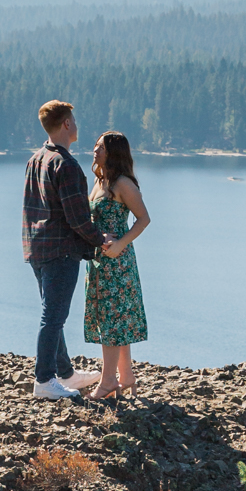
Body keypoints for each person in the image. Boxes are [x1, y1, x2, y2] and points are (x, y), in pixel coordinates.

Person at [21, 100, 116, 400]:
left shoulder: (36, 159)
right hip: (61, 251)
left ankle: (65, 374)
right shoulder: (66, 165)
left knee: (52, 312)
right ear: (65, 124)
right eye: (73, 119)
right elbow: (78, 218)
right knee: (53, 317)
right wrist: (100, 239)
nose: (76, 124)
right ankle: (44, 380)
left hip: (36, 248)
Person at [83, 131, 150, 399]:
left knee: (112, 321)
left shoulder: (123, 184)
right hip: (99, 261)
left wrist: (121, 243)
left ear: (114, 152)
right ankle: (127, 376)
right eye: (96, 145)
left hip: (118, 263)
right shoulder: (100, 182)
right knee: (114, 320)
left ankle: (109, 381)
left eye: (100, 147)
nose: (95, 150)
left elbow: (144, 219)